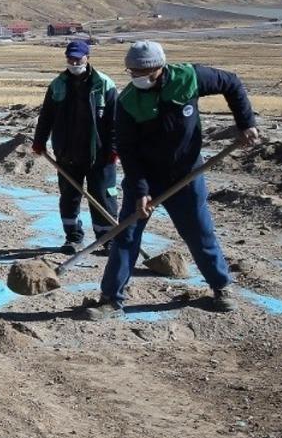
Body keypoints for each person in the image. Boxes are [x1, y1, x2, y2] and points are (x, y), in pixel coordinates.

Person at [81, 41, 261, 320]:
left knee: (199, 232)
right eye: (131, 71)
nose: (135, 76)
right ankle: (110, 299)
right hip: (146, 177)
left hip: (187, 173)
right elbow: (127, 150)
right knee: (126, 236)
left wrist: (245, 123)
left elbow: (232, 83)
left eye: (141, 71)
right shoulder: (128, 102)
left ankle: (221, 288)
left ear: (158, 68)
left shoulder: (189, 78)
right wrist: (140, 190)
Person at [31, 39, 119, 254]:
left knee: (103, 197)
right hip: (67, 154)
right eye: (70, 59)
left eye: (77, 59)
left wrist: (115, 148)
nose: (74, 62)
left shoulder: (104, 84)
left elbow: (116, 121)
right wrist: (39, 140)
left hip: (100, 155)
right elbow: (46, 116)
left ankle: (107, 239)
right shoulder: (58, 84)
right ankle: (73, 238)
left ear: (87, 57)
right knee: (69, 197)